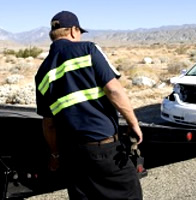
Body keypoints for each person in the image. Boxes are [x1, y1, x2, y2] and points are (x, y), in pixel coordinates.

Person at [35, 10, 143, 200]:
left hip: (73, 157)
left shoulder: (43, 72)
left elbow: (49, 124)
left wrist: (55, 155)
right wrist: (133, 123)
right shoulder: (88, 50)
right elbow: (114, 90)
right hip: (104, 151)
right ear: (74, 31)